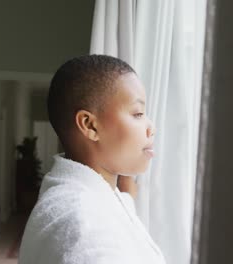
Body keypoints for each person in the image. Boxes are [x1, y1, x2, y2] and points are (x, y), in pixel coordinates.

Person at [18, 55, 166, 264]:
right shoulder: (82, 224)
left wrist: (126, 195)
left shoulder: (97, 199)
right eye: (138, 113)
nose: (152, 127)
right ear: (90, 126)